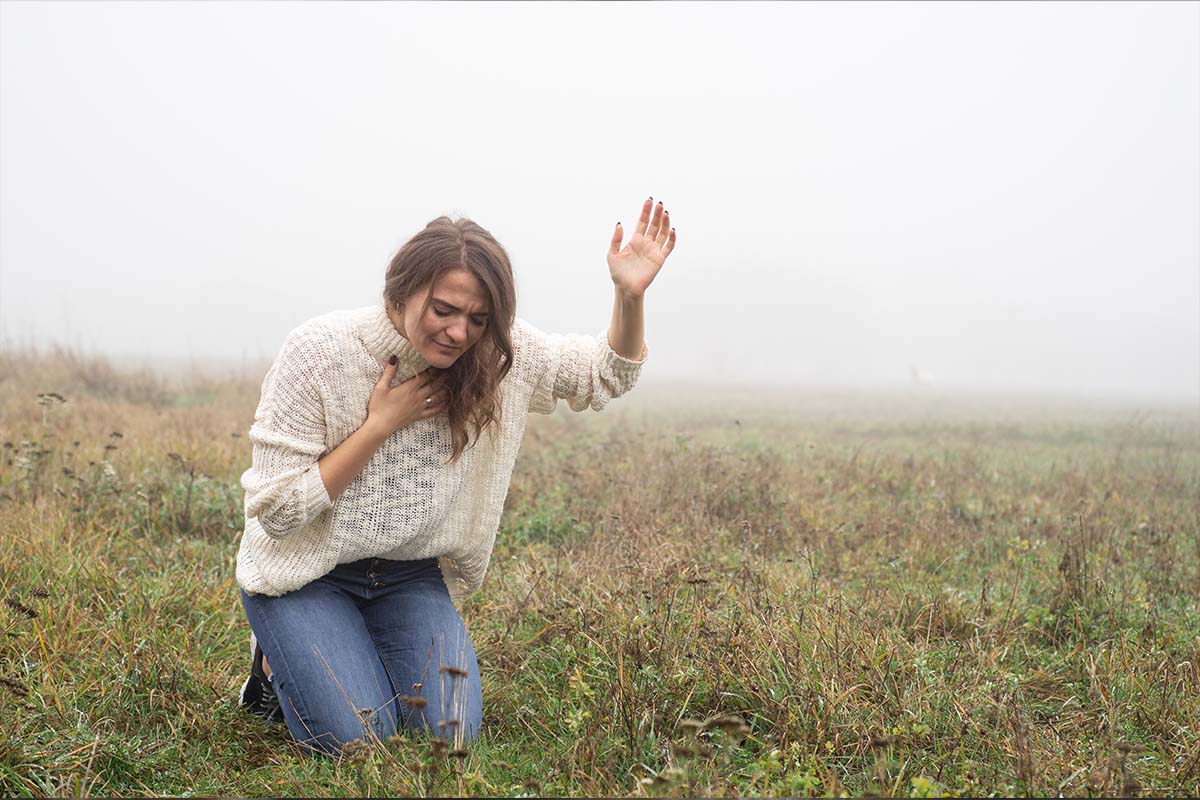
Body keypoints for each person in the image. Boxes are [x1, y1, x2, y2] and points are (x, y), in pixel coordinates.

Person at [234, 197, 677, 758]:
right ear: (402, 289)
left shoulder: (497, 357)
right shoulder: (320, 352)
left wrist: (629, 295)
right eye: (443, 309)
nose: (458, 332)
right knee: (356, 743)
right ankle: (272, 664)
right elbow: (275, 513)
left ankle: (343, 647)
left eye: (478, 318)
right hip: (306, 574)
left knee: (449, 737)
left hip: (407, 578)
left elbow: (603, 375)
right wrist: (378, 426)